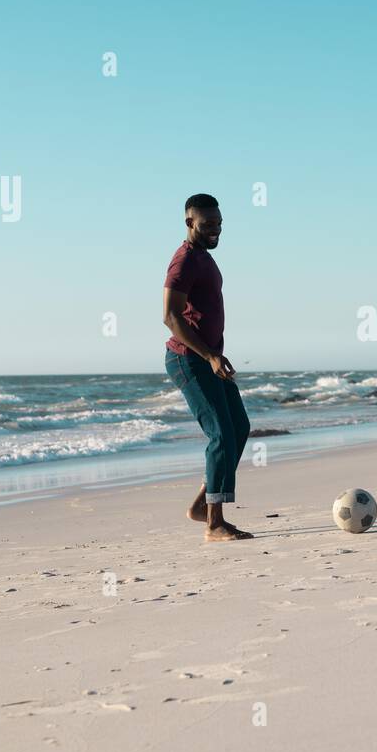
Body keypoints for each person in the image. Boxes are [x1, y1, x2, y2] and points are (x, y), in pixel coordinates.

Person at [162, 193, 254, 541]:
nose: (215, 230)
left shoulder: (204, 258)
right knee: (221, 433)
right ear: (189, 223)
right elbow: (170, 317)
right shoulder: (184, 261)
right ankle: (214, 523)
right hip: (189, 360)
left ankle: (203, 504)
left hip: (209, 359)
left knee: (239, 428)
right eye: (207, 224)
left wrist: (215, 355)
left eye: (219, 224)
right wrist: (210, 355)